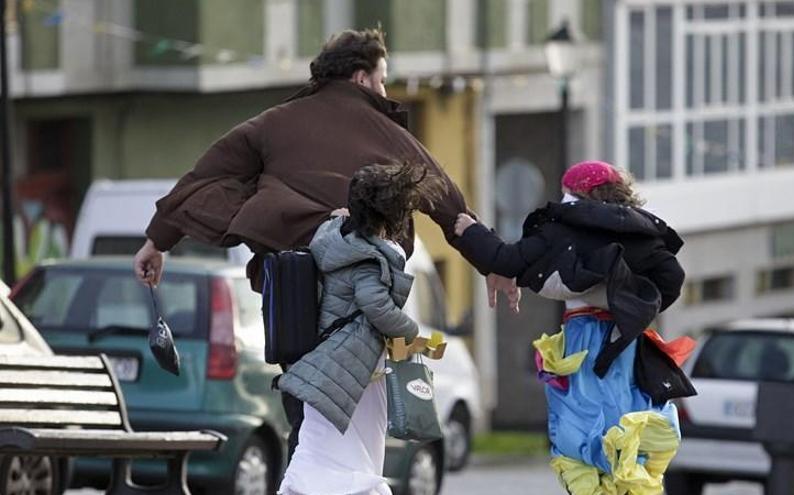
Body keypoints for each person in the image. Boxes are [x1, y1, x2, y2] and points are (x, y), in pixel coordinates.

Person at [132, 28, 520, 464]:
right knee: (354, 432)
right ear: (360, 78)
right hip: (364, 306)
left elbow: (202, 179)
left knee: (308, 415)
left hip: (292, 296)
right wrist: (492, 261)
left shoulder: (273, 123)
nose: (384, 90)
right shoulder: (390, 136)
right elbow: (448, 203)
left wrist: (158, 242)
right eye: (382, 79)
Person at [453, 160, 694, 495]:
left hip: (584, 342)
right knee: (623, 429)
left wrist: (470, 232)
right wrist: (632, 303)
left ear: (575, 194)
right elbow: (672, 279)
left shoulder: (563, 228)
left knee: (583, 430)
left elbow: (506, 260)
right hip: (624, 342)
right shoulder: (644, 232)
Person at [275, 162, 441, 495]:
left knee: (319, 447)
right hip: (357, 370)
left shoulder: (334, 236)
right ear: (389, 214)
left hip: (327, 362)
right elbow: (376, 306)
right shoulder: (369, 258)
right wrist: (418, 338)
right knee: (355, 453)